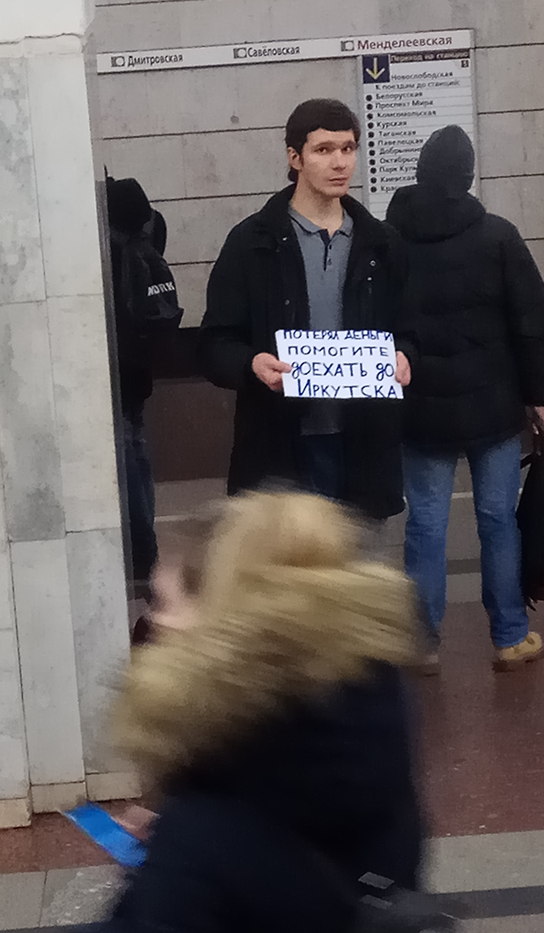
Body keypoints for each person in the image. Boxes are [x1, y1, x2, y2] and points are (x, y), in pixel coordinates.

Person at [99, 491, 433, 933]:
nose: (155, 622)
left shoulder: (201, 836)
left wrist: (180, 851)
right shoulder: (365, 725)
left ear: (227, 616)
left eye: (164, 602)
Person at [387, 125, 544, 673]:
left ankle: (423, 642)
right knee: (497, 520)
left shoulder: (393, 241)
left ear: (420, 173)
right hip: (494, 408)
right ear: (468, 175)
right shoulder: (499, 237)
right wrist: (538, 396)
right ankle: (510, 636)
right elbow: (531, 324)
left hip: (422, 409)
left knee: (426, 526)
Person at [199, 99, 415, 519]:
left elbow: (411, 329)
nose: (340, 163)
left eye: (348, 149)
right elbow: (215, 343)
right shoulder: (251, 243)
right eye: (324, 150)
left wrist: (406, 355)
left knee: (356, 576)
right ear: (294, 158)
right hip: (281, 448)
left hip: (363, 444)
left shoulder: (383, 244)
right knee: (286, 577)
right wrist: (251, 363)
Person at [107, 178, 170, 590]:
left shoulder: (110, 249)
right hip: (140, 372)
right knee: (138, 459)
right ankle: (147, 550)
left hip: (119, 374)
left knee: (127, 463)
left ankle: (141, 556)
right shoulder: (150, 237)